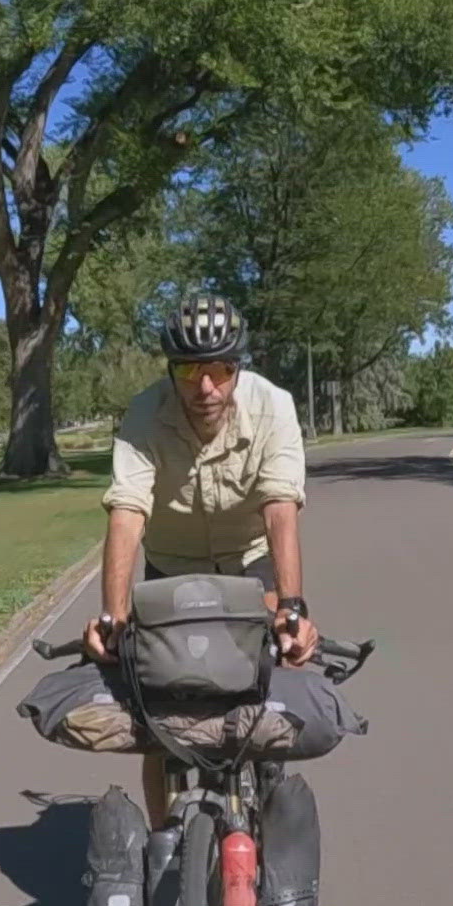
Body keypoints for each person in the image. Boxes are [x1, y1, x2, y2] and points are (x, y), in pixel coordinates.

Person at [86, 291, 320, 826]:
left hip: (249, 565)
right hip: (171, 568)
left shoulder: (273, 406)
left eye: (219, 369)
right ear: (172, 370)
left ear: (238, 367)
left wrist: (292, 606)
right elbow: (126, 512)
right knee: (156, 717)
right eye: (189, 370)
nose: (205, 387)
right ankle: (164, 843)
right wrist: (111, 614)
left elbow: (280, 508)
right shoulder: (145, 413)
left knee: (264, 690)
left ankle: (265, 804)